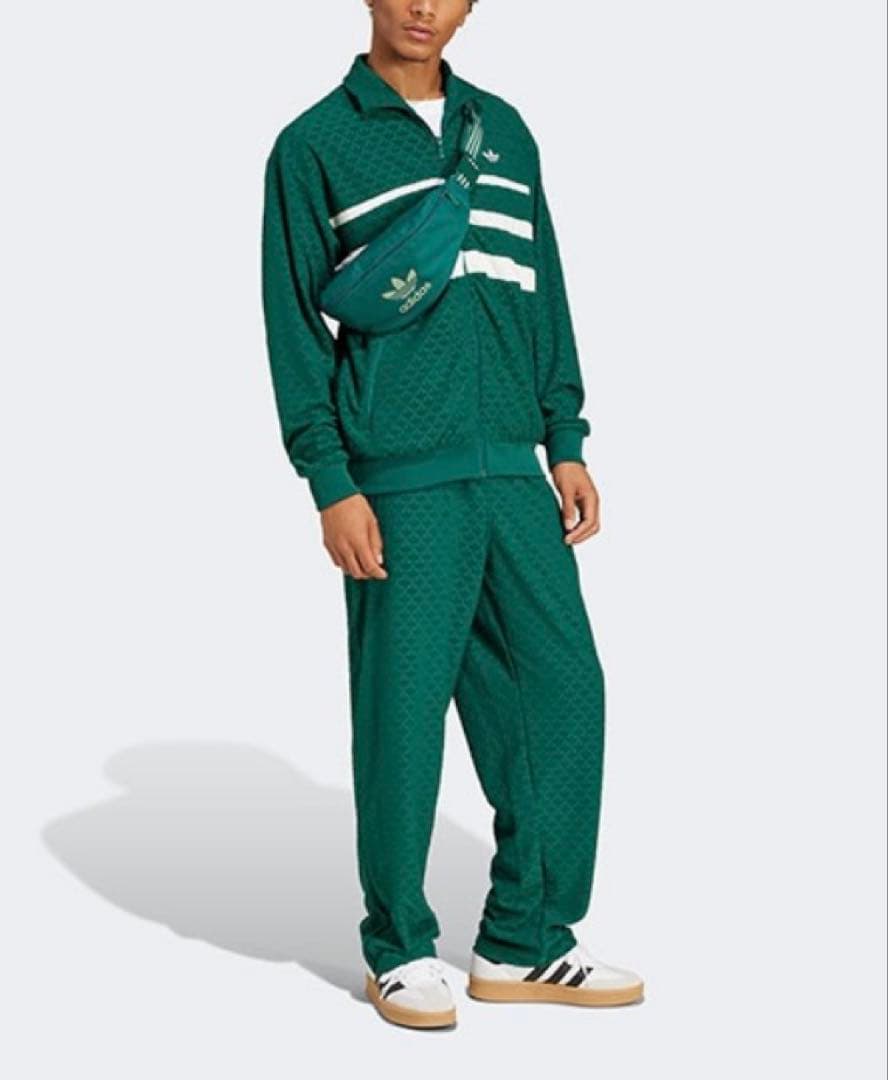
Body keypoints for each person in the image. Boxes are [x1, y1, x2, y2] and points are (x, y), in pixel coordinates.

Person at [261, 0, 644, 1030]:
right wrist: (331, 480)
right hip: (398, 478)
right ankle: (398, 946)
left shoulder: (503, 130)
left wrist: (566, 436)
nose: (424, 6)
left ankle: (525, 937)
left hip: (515, 472)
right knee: (403, 710)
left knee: (564, 690)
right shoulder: (313, 144)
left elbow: (544, 290)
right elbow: (293, 323)